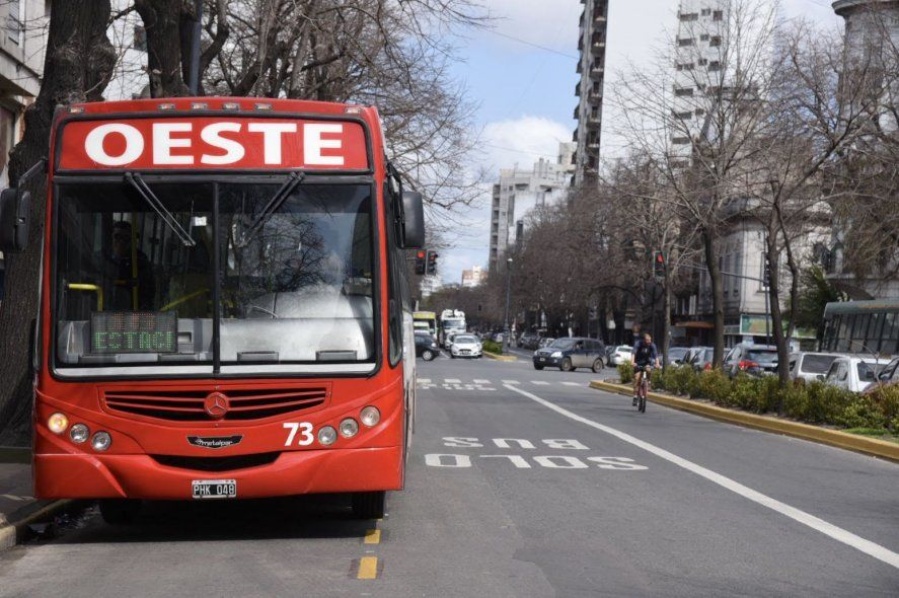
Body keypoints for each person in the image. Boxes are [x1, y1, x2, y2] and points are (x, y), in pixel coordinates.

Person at [106, 220, 155, 310]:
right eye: (117, 236)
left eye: (126, 238)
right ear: (110, 238)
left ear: (132, 241)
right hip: (102, 309)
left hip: (132, 312)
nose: (121, 241)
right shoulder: (101, 257)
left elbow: (148, 288)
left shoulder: (140, 260)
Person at [632, 331, 660, 406]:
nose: (649, 342)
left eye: (650, 340)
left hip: (647, 363)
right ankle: (635, 397)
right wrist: (632, 362)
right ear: (644, 340)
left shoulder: (652, 345)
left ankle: (649, 382)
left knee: (648, 370)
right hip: (638, 363)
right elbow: (633, 353)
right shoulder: (638, 344)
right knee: (637, 379)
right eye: (647, 340)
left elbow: (656, 356)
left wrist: (657, 363)